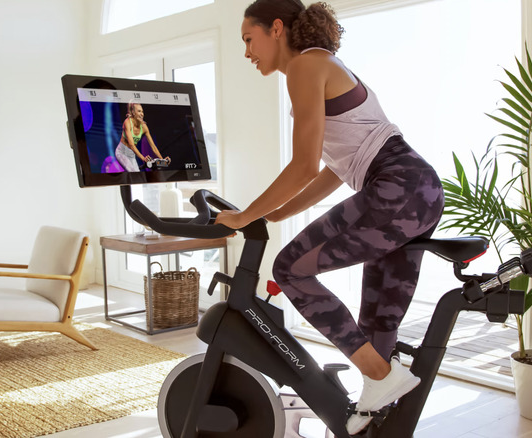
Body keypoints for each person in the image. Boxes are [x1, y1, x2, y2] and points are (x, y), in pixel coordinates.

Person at [215, 0, 444, 434]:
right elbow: (334, 171)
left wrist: (246, 214)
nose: (248, 53)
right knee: (378, 320)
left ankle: (380, 377)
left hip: (396, 186)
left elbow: (302, 165)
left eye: (249, 39)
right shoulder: (322, 65)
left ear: (276, 28)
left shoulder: (305, 67)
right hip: (419, 190)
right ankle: (380, 413)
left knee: (290, 269)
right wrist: (271, 215)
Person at [115, 102, 170, 172]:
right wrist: (143, 159)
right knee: (133, 173)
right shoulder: (127, 123)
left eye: (142, 112)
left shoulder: (144, 127)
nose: (142, 114)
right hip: (122, 152)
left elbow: (153, 146)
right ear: (133, 112)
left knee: (137, 175)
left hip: (132, 154)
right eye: (139, 111)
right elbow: (131, 145)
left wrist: (163, 160)